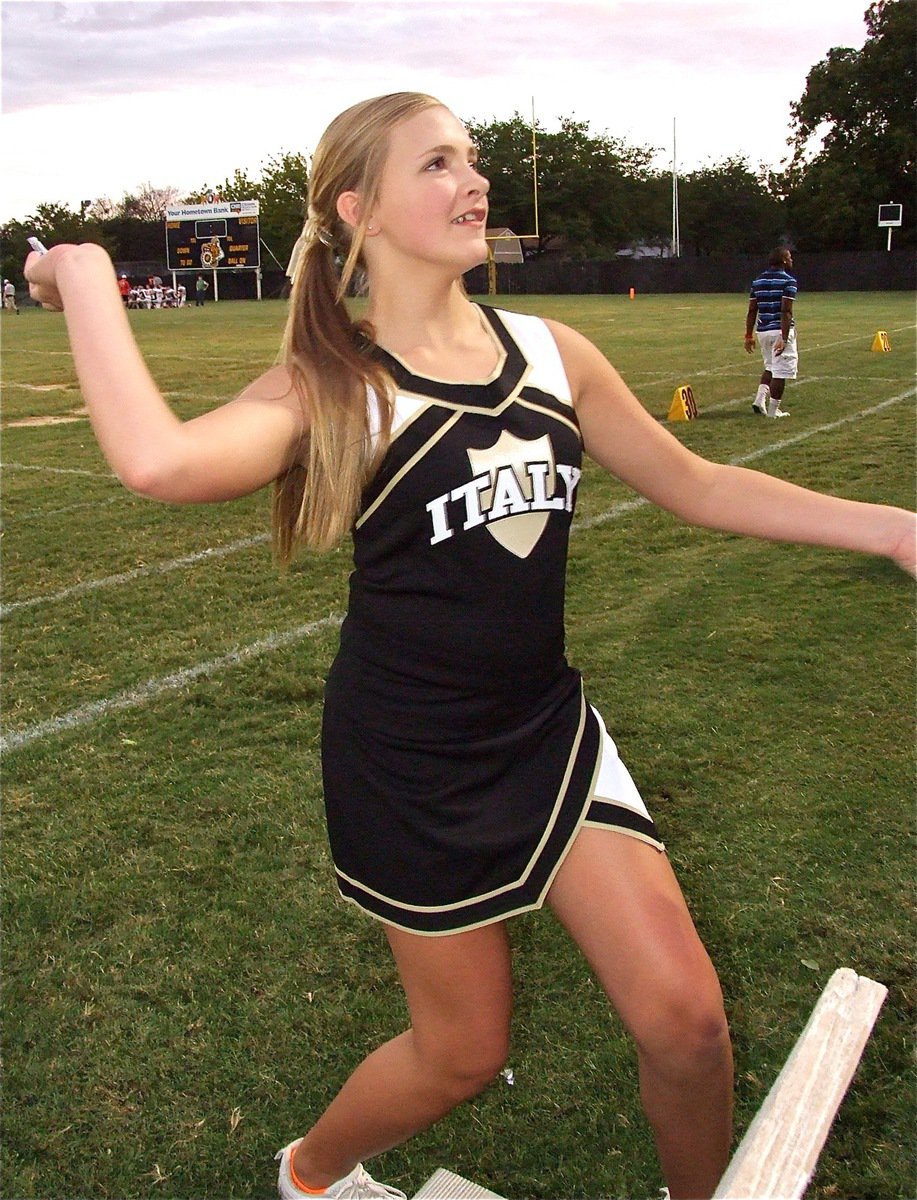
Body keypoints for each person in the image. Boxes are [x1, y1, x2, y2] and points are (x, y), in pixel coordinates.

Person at [24, 93, 915, 1200]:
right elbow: (159, 461)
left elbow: (694, 483)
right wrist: (85, 267)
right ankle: (308, 1174)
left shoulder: (552, 352)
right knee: (460, 1056)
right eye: (438, 163)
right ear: (361, 209)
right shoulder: (335, 382)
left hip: (546, 735)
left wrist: (890, 528)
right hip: (409, 766)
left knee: (685, 1025)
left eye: (474, 159)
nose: (475, 182)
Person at [744, 247, 798, 418]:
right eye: (789, 257)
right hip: (779, 330)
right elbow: (786, 311)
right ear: (783, 260)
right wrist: (784, 336)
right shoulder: (788, 281)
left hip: (763, 331)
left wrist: (748, 335)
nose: (791, 260)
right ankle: (774, 411)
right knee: (780, 372)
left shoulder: (757, 281)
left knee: (770, 366)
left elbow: (752, 310)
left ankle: (759, 400)